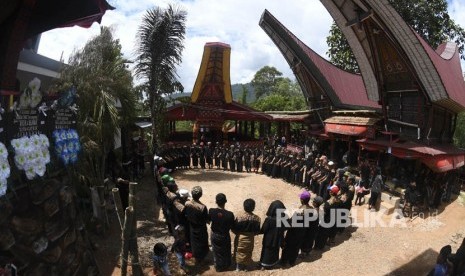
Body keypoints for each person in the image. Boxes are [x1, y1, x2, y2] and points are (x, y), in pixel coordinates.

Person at [280, 191, 308, 267]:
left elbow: (291, 224)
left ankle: (284, 261)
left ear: (302, 200)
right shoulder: (310, 209)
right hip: (302, 232)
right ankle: (292, 261)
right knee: (296, 247)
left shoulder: (299, 212)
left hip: (294, 232)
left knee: (288, 246)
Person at [233, 199, 261, 271]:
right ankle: (245, 267)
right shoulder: (257, 219)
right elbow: (257, 231)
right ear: (253, 207)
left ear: (244, 207)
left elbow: (234, 229)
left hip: (240, 238)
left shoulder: (239, 217)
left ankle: (238, 267)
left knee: (239, 251)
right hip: (250, 238)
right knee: (248, 252)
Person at [209, 193, 235, 272]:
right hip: (225, 235)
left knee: (216, 251)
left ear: (216, 201)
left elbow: (208, 220)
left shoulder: (211, 211)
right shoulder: (230, 214)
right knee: (226, 250)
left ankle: (218, 267)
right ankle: (226, 265)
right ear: (226, 201)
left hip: (215, 235)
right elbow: (232, 226)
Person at [184, 186, 210, 265]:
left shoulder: (187, 204)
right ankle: (201, 260)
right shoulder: (202, 207)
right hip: (201, 228)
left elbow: (186, 215)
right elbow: (207, 220)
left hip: (191, 227)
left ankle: (196, 257)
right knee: (202, 243)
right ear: (201, 194)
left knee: (194, 242)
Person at [260, 200, 286, 269]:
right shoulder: (283, 220)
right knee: (274, 252)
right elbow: (285, 228)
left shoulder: (268, 220)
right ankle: (272, 264)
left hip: (268, 240)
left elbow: (263, 230)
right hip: (277, 240)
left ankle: (264, 265)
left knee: (266, 252)